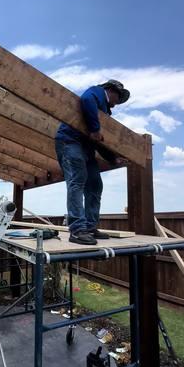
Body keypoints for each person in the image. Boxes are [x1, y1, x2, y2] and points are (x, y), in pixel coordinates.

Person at [55, 80, 130, 245]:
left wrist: (112, 158)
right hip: (70, 141)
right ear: (110, 90)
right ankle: (77, 229)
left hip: (86, 148)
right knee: (77, 179)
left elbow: (98, 141)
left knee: (95, 184)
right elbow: (86, 99)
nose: (117, 103)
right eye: (118, 98)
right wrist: (95, 129)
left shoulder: (104, 113)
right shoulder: (96, 92)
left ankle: (89, 227)